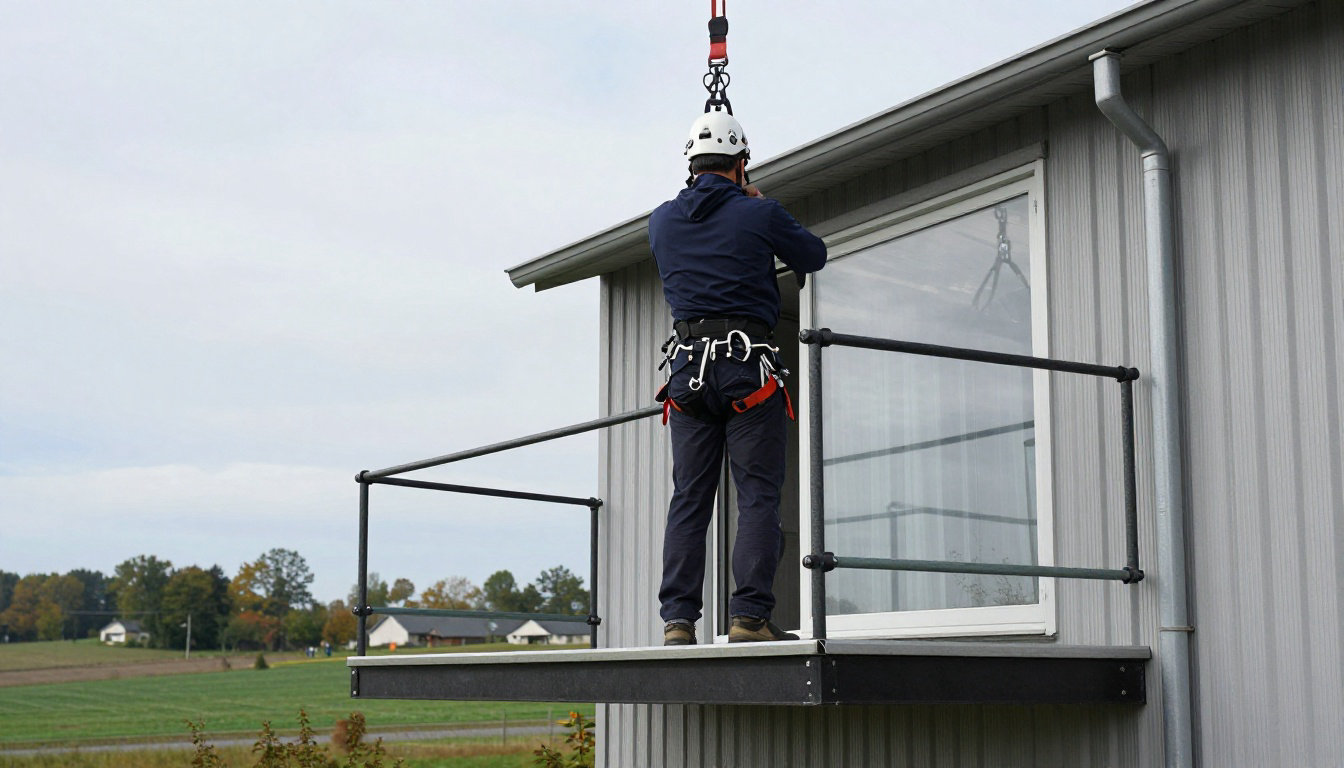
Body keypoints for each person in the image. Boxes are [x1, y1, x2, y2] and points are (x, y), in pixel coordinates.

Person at [648, 110, 827, 645]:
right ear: (741, 163)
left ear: (691, 165)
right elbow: (813, 256)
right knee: (757, 496)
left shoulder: (660, 220)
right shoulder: (759, 213)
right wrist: (755, 204)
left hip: (687, 375)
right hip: (747, 370)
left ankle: (678, 621)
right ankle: (749, 617)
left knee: (690, 499)